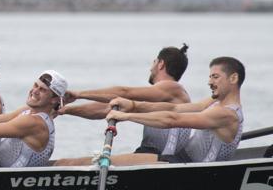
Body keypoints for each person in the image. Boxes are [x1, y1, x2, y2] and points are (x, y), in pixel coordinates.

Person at [60, 57, 245, 166]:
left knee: (85, 163)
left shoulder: (227, 115)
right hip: (174, 160)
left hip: (179, 167)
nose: (209, 82)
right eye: (209, 76)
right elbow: (173, 108)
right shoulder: (213, 103)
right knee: (82, 162)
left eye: (215, 77)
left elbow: (173, 119)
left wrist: (127, 115)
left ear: (233, 78)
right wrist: (132, 106)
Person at [57, 44, 191, 157]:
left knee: (73, 163)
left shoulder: (174, 88)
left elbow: (125, 92)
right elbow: (104, 109)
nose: (150, 68)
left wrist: (79, 94)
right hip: (150, 154)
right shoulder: (160, 100)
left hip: (163, 158)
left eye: (154, 62)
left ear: (161, 64)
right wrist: (65, 110)